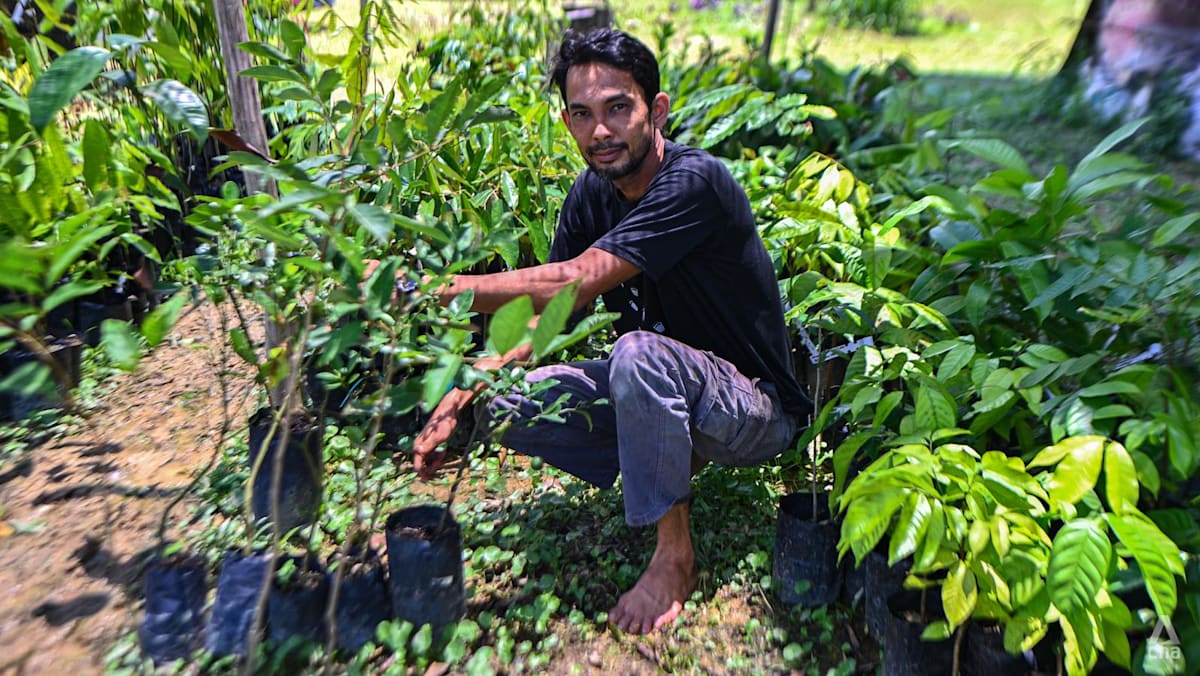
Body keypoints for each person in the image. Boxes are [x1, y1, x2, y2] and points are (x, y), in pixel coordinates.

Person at [404, 28, 809, 635]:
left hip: (753, 408)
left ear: (657, 110)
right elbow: (554, 316)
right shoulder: (590, 196)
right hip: (666, 388)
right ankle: (665, 457)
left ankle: (675, 558)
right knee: (506, 399)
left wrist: (438, 288)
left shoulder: (695, 182)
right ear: (566, 122)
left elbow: (575, 279)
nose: (600, 131)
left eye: (618, 107)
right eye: (582, 114)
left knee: (637, 354)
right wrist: (465, 388)